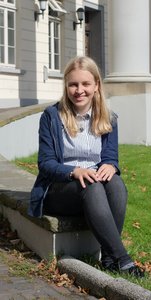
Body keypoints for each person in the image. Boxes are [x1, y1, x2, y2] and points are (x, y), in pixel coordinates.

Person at [28, 56, 144, 278]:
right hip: (60, 189)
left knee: (117, 183)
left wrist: (110, 165)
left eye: (85, 84)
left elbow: (110, 157)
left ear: (96, 86)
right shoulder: (52, 117)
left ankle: (109, 259)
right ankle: (122, 259)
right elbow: (46, 164)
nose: (79, 90)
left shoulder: (109, 118)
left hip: (94, 186)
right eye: (73, 84)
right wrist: (74, 171)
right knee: (90, 185)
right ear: (66, 86)